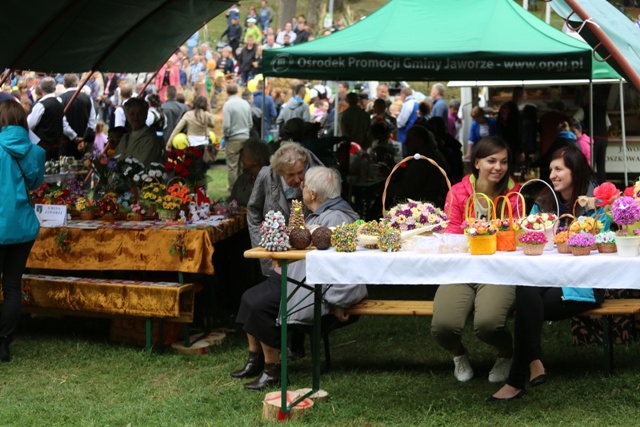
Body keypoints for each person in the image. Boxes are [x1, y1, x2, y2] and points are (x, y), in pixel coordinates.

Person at [489, 145, 607, 402]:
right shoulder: (543, 202)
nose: (552, 174)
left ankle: (520, 374)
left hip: (582, 285)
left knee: (527, 300)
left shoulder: (595, 204)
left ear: (575, 170)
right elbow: (528, 238)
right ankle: (528, 367)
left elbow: (600, 242)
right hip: (544, 280)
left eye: (558, 169)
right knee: (528, 291)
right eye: (551, 169)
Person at [233, 166, 366, 390]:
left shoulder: (335, 218)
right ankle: (255, 360)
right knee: (248, 297)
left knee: (258, 305)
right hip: (298, 280)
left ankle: (272, 370)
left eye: (303, 186)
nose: (299, 188)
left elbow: (344, 269)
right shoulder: (321, 212)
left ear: (312, 194)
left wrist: (337, 302)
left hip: (309, 288)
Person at [431, 136, 522, 384]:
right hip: (461, 270)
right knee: (443, 327)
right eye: (491, 161)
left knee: (489, 324)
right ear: (477, 162)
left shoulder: (513, 195)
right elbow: (449, 234)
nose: (498, 167)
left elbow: (517, 235)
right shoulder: (458, 192)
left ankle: (506, 353)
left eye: (504, 162)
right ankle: (458, 354)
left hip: (499, 271)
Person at [0, 100, 46, 362]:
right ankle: (4, 342)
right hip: (22, 227)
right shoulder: (35, 151)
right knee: (12, 286)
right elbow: (36, 182)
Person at [247, 141, 323, 276]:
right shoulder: (266, 176)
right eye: (290, 175)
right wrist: (262, 245)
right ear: (280, 172)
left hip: (308, 253)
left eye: (300, 172)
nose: (298, 179)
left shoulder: (318, 175)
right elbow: (253, 210)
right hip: (275, 252)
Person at [222, 83, 253, 191]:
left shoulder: (228, 105)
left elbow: (226, 125)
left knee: (232, 166)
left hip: (233, 138)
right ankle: (244, 189)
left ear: (227, 92)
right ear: (238, 91)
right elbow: (250, 123)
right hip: (245, 137)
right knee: (243, 166)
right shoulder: (245, 104)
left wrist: (226, 136)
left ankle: (233, 190)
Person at [115, 97, 163, 166]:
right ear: (127, 116)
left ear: (146, 115)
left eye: (140, 113)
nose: (136, 117)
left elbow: (139, 165)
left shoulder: (151, 139)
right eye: (132, 114)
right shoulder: (125, 137)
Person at [230, 138, 273, 206]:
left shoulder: (270, 183)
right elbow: (231, 202)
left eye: (244, 156)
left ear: (255, 161)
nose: (241, 160)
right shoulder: (242, 180)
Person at [497, 87, 525, 169]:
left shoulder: (507, 107)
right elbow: (518, 132)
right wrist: (521, 150)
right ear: (521, 95)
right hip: (511, 146)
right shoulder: (513, 110)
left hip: (504, 145)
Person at [396, 87, 419, 153]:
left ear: (403, 95)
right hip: (414, 135)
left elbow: (401, 123)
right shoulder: (416, 103)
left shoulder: (408, 104)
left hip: (405, 136)